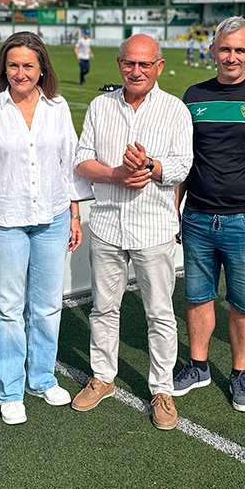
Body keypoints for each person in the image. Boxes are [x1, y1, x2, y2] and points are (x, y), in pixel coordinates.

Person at [0, 33, 91, 425]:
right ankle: (10, 390)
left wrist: (73, 214)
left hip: (52, 219)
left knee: (49, 305)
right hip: (4, 222)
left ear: (42, 70)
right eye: (13, 65)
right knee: (7, 309)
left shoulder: (58, 107)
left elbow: (70, 162)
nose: (20, 73)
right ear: (4, 67)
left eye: (28, 66)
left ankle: (41, 377)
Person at [69, 34, 193, 430]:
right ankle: (103, 377)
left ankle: (161, 390)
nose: (135, 71)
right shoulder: (100, 106)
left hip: (154, 227)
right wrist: (117, 175)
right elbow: (82, 160)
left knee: (159, 313)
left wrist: (151, 166)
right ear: (119, 64)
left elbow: (182, 165)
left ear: (158, 65)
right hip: (106, 223)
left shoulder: (175, 110)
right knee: (104, 308)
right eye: (128, 63)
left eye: (144, 64)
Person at [173, 17, 245, 412]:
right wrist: (174, 209)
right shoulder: (193, 96)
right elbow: (183, 161)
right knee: (197, 297)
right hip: (198, 218)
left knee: (244, 303)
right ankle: (198, 366)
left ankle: (240, 374)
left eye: (240, 50)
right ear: (213, 50)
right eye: (225, 49)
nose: (232, 57)